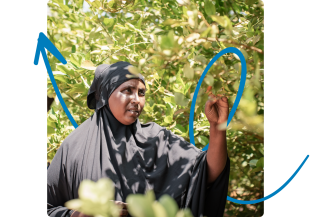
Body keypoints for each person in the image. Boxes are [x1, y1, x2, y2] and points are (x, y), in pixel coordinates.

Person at [47, 61, 230, 217]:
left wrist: (217, 127)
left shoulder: (158, 140)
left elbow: (205, 173)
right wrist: (78, 215)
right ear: (106, 94)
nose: (137, 100)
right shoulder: (75, 146)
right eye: (128, 90)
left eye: (141, 93)